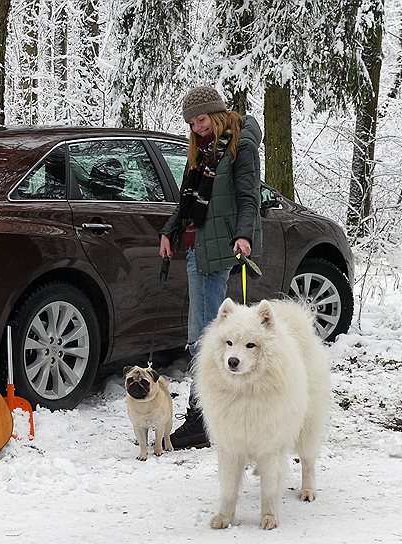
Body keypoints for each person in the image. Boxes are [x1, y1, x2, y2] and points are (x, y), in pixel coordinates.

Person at [158, 85, 263, 449]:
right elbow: (186, 200)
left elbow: (249, 195)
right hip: (195, 248)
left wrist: (244, 235)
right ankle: (214, 414)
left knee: (203, 337)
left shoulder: (240, 147)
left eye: (201, 119)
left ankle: (202, 420)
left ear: (216, 114)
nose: (196, 127)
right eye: (191, 123)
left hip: (215, 251)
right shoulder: (202, 151)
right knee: (204, 335)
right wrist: (169, 231)